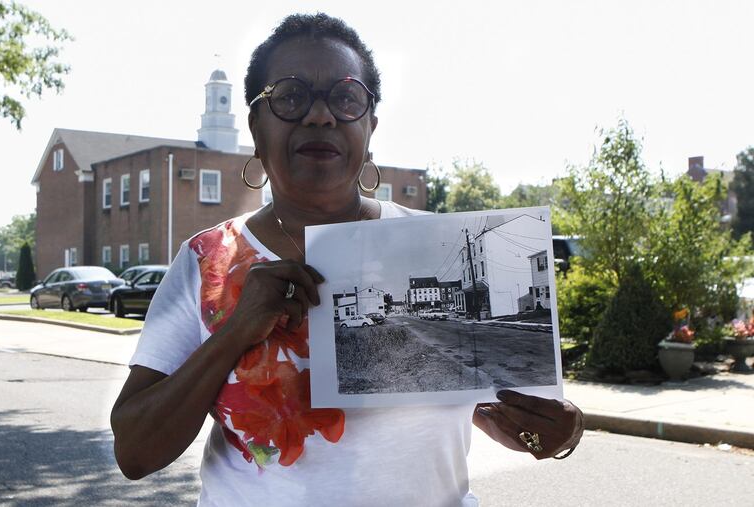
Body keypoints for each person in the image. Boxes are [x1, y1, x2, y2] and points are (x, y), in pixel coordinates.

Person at [111, 13, 583, 506]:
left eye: (346, 97)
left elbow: (506, 417)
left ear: (370, 125)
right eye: (291, 97)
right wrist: (235, 332)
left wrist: (557, 434)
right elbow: (135, 452)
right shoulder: (207, 263)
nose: (321, 116)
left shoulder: (431, 239)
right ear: (256, 124)